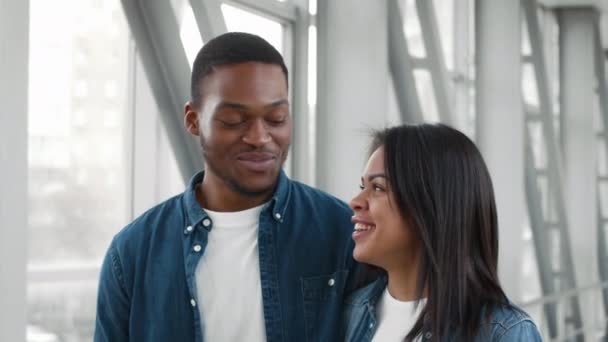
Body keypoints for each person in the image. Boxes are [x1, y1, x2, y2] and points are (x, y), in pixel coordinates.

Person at [94, 32, 357, 342]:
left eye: (276, 118)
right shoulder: (132, 253)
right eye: (234, 120)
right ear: (193, 120)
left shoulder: (343, 232)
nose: (260, 137)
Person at [343, 124, 542, 341]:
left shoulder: (504, 333)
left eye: (379, 187)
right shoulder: (350, 312)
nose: (355, 202)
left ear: (432, 206)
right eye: (363, 187)